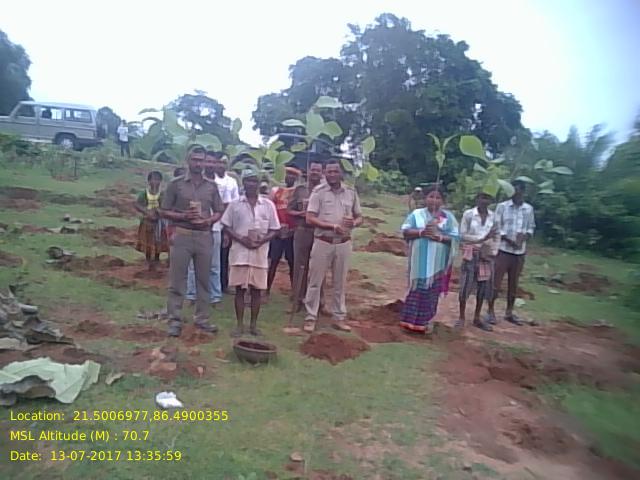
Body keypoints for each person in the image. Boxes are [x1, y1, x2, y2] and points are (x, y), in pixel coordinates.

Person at [160, 146, 224, 337]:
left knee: (203, 279)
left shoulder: (211, 186)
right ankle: (174, 319)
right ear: (188, 161)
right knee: (177, 280)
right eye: (195, 159)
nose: (198, 163)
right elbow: (164, 210)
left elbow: (219, 211)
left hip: (204, 236)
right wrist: (183, 216)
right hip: (183, 234)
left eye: (201, 160)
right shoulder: (176, 184)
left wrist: (208, 221)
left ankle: (202, 318)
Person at [303, 159, 363, 333]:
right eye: (329, 172)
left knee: (340, 283)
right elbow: (310, 218)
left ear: (341, 173)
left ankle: (339, 317)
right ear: (325, 173)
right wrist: (331, 226)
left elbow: (360, 216)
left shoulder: (350, 192)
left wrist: (354, 223)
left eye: (335, 171)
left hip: (343, 243)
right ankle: (310, 317)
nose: (332, 175)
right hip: (323, 241)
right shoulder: (319, 192)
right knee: (315, 282)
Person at [221, 168, 280, 337]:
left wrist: (261, 240)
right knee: (239, 290)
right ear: (243, 183)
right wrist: (241, 239)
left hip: (259, 254)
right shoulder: (235, 205)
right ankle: (239, 325)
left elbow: (275, 229)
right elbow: (226, 226)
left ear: (259, 183)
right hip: (239, 253)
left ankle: (253, 325)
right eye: (248, 180)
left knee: (256, 291)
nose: (251, 184)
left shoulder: (268, 205)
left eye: (254, 180)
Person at [400, 185, 459, 334]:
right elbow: (405, 231)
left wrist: (439, 237)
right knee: (417, 290)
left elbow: (456, 238)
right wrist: (422, 232)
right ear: (425, 198)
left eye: (438, 197)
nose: (434, 200)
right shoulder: (417, 214)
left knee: (431, 293)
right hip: (419, 263)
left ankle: (424, 323)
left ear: (443, 201)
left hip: (437, 265)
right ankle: (408, 322)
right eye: (431, 196)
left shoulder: (448, 218)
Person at [186, 151, 239, 306]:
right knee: (193, 264)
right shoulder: (194, 182)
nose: (209, 165)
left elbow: (225, 208)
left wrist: (225, 230)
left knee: (214, 264)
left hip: (215, 228)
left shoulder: (221, 184)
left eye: (212, 162)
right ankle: (192, 295)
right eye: (207, 161)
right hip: (194, 227)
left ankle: (215, 296)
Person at [486, 181, 536, 326]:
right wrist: (509, 240)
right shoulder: (502, 207)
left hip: (519, 252)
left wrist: (524, 238)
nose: (515, 193)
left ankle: (509, 312)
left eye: (518, 190)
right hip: (503, 250)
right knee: (496, 282)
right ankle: (490, 311)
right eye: (513, 190)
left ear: (523, 192)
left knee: (514, 283)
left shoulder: (528, 209)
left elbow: (531, 227)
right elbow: (496, 227)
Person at [458, 192, 500, 331]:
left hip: (486, 257)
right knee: (465, 286)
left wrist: (493, 252)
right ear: (477, 199)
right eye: (482, 197)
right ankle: (461, 317)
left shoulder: (494, 217)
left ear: (490, 201)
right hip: (471, 253)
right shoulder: (469, 214)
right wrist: (481, 239)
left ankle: (477, 317)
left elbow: (497, 235)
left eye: (487, 198)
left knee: (483, 287)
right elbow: (462, 235)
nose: (484, 201)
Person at [287, 160, 324, 314]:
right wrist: (301, 214)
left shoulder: (325, 191)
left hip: (319, 233)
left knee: (319, 267)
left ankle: (319, 302)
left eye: (318, 170)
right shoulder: (300, 190)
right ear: (308, 171)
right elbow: (289, 210)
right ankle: (297, 300)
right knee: (299, 266)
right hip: (302, 231)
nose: (314, 173)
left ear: (321, 173)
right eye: (312, 169)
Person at [266, 167, 301, 297]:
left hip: (292, 232)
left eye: (293, 175)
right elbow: (270, 209)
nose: (289, 177)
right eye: (288, 174)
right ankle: (266, 290)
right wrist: (275, 226)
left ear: (296, 178)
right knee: (273, 261)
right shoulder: (276, 191)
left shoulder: (298, 192)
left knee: (293, 263)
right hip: (277, 232)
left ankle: (295, 292)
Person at [134, 171, 169, 271]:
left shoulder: (162, 194)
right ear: (149, 181)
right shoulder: (144, 193)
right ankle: (149, 260)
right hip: (147, 221)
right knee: (147, 241)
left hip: (159, 221)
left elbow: (165, 206)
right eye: (153, 180)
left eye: (157, 180)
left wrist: (158, 212)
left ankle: (157, 259)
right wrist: (146, 212)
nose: (155, 182)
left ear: (160, 181)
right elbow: (137, 204)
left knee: (159, 241)